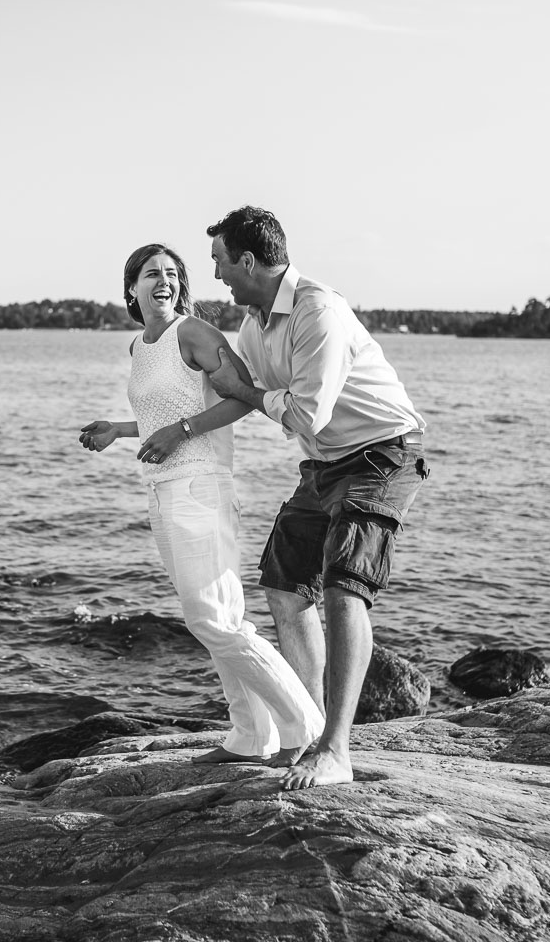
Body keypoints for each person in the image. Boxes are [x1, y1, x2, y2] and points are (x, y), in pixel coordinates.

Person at [202, 206, 428, 791]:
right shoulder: (254, 326)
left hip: (381, 454)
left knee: (342, 587)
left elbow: (301, 412)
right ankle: (308, 729)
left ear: (248, 260)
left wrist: (246, 391)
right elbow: (235, 391)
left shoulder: (317, 311)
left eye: (221, 263)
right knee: (282, 582)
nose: (219, 276)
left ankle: (337, 750)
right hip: (325, 463)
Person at [79, 243, 324, 768]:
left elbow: (244, 396)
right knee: (219, 618)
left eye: (172, 273)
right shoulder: (139, 346)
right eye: (151, 274)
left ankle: (303, 726)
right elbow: (165, 415)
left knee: (213, 620)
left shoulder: (193, 333)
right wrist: (118, 431)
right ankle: (248, 736)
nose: (162, 281)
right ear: (132, 288)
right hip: (162, 490)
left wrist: (181, 431)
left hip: (201, 488)